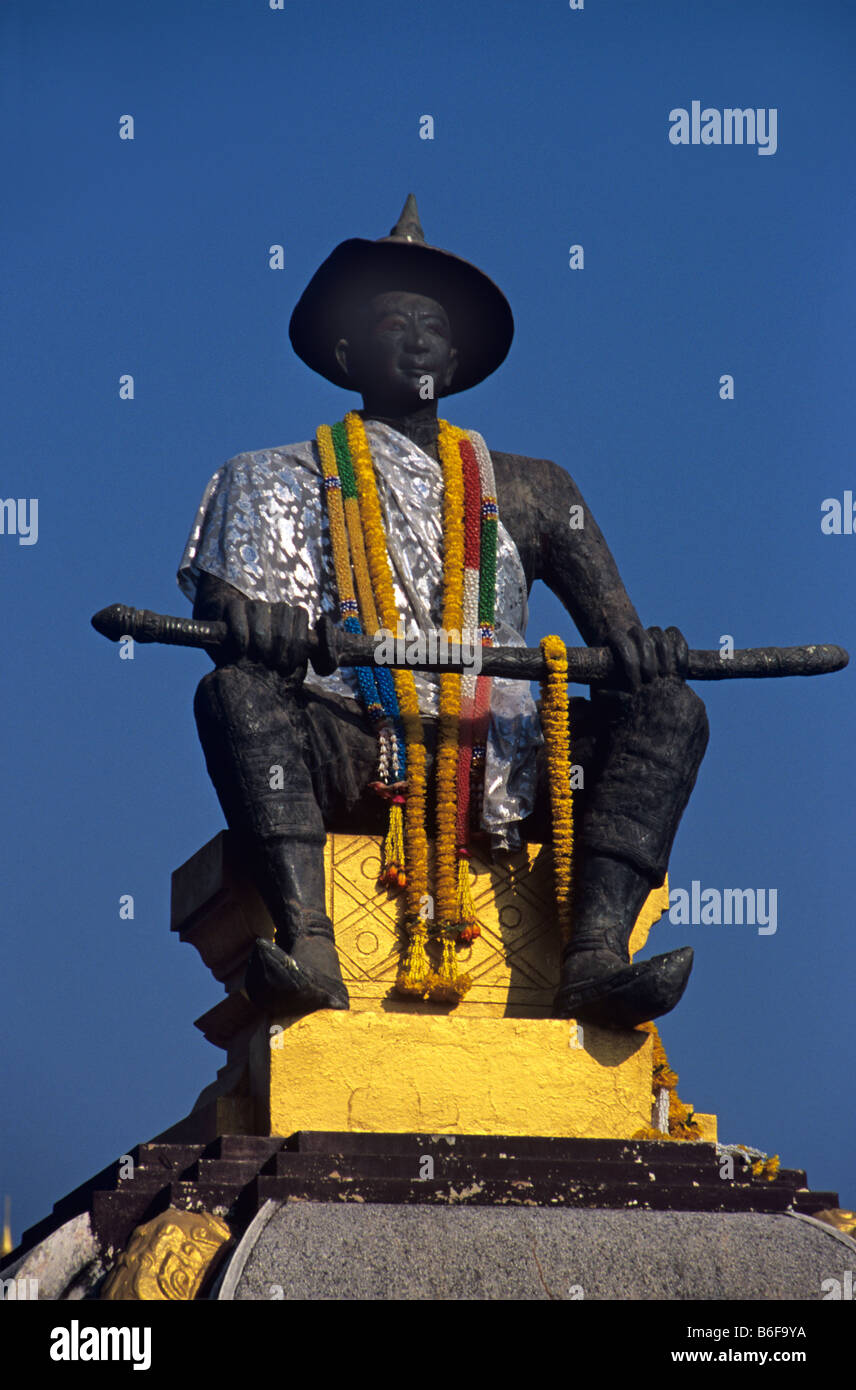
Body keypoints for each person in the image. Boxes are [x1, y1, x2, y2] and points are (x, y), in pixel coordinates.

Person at [179, 196, 709, 1028]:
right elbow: (227, 616)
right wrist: (258, 628)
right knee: (235, 695)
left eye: (434, 326)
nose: (419, 338)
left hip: (508, 757)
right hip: (356, 742)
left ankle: (597, 954)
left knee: (671, 708)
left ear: (457, 359)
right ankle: (310, 941)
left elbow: (619, 641)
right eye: (394, 321)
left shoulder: (537, 489)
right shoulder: (272, 476)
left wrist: (650, 655)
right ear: (349, 351)